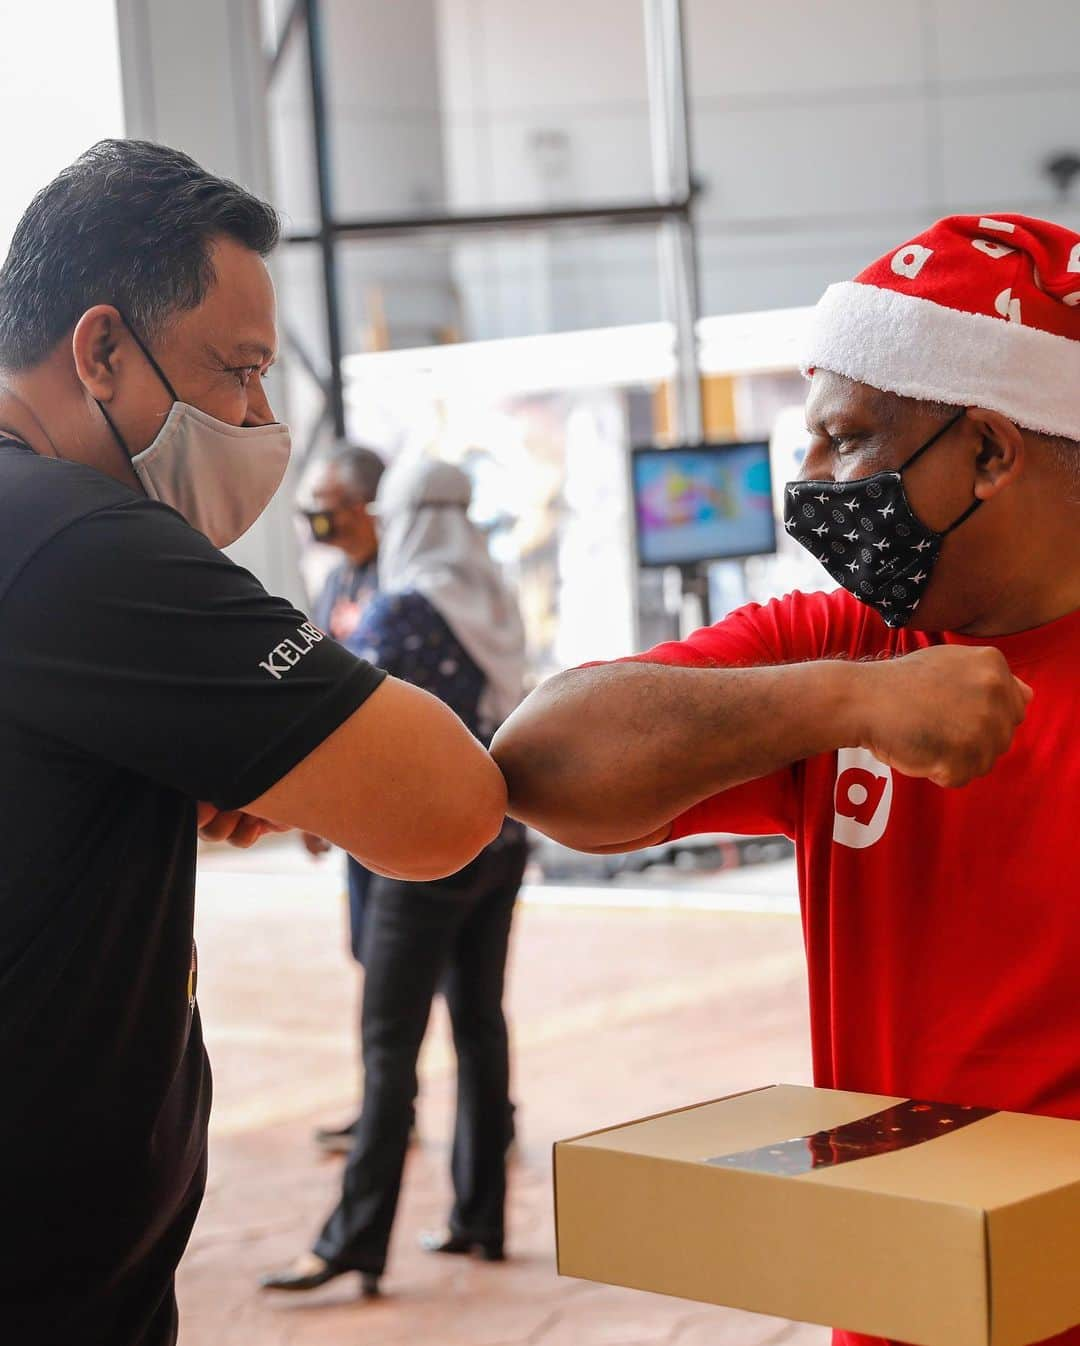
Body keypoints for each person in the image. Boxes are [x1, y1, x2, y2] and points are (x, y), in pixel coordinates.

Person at [492, 214, 1080, 1346]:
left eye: (847, 440)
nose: (810, 484)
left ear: (993, 453)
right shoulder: (844, 648)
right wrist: (844, 702)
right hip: (899, 1304)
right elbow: (542, 758)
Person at [0, 140, 507, 1346]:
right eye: (238, 373)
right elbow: (446, 804)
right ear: (103, 349)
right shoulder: (78, 536)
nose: (262, 424)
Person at [261, 456, 529, 1296]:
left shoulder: (405, 607)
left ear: (397, 514)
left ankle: (354, 1238)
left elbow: (325, 700)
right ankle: (478, 1219)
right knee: (480, 1025)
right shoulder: (493, 594)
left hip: (423, 853)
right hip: (501, 837)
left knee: (389, 1045)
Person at [300, 444, 387, 1154]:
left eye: (324, 511)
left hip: (401, 804)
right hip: (355, 812)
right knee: (373, 960)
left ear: (361, 508)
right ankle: (386, 1108)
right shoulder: (337, 583)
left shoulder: (409, 580)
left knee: (448, 985)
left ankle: (490, 1117)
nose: (315, 525)